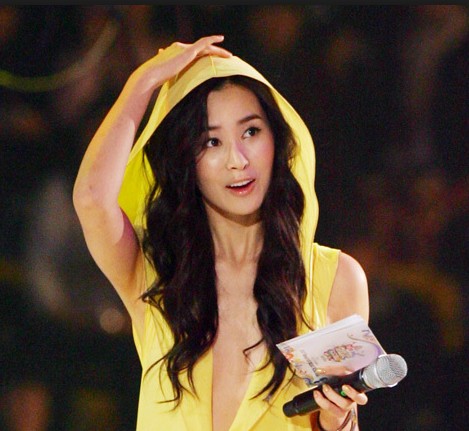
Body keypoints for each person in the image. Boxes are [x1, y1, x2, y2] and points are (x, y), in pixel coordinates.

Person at [73, 35, 369, 431]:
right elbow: (92, 199)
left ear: (278, 140)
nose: (237, 160)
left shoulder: (336, 279)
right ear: (187, 161)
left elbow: (343, 417)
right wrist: (143, 82)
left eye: (251, 132)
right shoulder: (156, 271)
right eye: (212, 141)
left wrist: (338, 420)